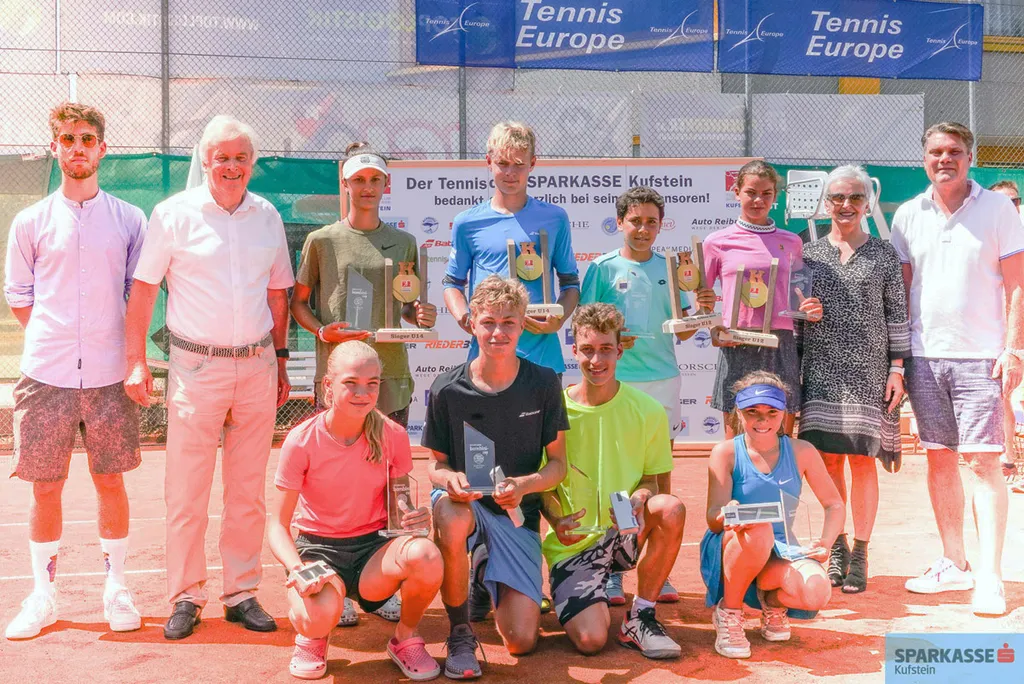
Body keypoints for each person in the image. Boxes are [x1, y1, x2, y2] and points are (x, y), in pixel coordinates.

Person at [124, 115, 295, 639]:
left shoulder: (267, 216)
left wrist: (282, 360)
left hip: (259, 366)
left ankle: (241, 592)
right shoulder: (172, 214)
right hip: (195, 368)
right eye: (221, 156)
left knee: (247, 491)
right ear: (204, 160)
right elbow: (144, 291)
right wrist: (135, 359)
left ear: (252, 163)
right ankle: (185, 595)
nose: (231, 166)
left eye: (241, 157)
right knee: (187, 490)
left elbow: (277, 294)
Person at [3, 102, 145, 639]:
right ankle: (43, 596)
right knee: (45, 489)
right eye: (68, 138)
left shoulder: (130, 219)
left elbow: (137, 295)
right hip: (45, 376)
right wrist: (55, 338)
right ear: (55, 147)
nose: (78, 147)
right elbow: (19, 295)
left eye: (88, 138)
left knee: (110, 480)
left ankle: (117, 589)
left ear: (102, 148)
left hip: (111, 377)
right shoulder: (30, 221)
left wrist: (130, 360)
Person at [290, 142, 436, 624]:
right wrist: (320, 332)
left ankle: (382, 585)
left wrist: (421, 314)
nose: (367, 188)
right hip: (341, 378)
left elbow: (411, 307)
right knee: (334, 481)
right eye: (359, 180)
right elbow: (300, 303)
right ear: (346, 185)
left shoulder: (406, 242)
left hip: (388, 377)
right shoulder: (322, 241)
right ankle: (339, 585)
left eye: (375, 180)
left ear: (385, 186)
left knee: (390, 482)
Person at [442, 121, 578, 621]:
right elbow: (453, 283)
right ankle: (482, 567)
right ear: (489, 163)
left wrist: (561, 314)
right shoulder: (467, 223)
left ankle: (529, 575)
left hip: (540, 358)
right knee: (481, 466)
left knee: (537, 469)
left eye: (519, 164)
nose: (511, 171)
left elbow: (569, 282)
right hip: (488, 362)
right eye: (502, 162)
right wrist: (462, 316)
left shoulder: (555, 219)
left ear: (532, 166)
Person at [892, 122, 1024, 616]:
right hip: (926, 357)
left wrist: (1013, 350)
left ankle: (990, 578)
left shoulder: (998, 210)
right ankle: (954, 562)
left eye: (953, 151)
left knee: (985, 462)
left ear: (970, 157)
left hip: (982, 357)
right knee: (940, 458)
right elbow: (901, 294)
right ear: (923, 158)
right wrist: (900, 360)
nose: (943, 159)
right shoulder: (907, 215)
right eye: (935, 152)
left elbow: (1017, 284)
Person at [268, 342, 443, 681]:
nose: (363, 392)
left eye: (372, 383)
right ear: (328, 386)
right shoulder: (301, 440)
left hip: (372, 555)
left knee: (427, 555)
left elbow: (400, 507)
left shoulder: (392, 435)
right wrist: (296, 569)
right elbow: (276, 525)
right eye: (351, 382)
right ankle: (313, 633)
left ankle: (405, 638)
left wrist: (415, 521)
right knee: (318, 615)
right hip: (318, 551)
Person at [424, 275, 569, 679]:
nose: (498, 332)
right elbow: (433, 465)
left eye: (509, 322)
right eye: (488, 321)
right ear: (471, 323)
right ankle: (459, 632)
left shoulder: (543, 382)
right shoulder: (446, 387)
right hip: (464, 506)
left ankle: (484, 567)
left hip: (516, 512)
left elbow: (556, 465)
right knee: (453, 520)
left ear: (524, 325)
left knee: (522, 641)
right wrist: (449, 480)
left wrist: (524, 486)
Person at [578, 186, 715, 605]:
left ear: (660, 226)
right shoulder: (602, 268)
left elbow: (686, 327)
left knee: (659, 477)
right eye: (634, 221)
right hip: (616, 382)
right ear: (620, 223)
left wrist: (703, 310)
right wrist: (614, 344)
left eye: (650, 222)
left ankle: (659, 570)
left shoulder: (673, 268)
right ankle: (617, 569)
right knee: (619, 479)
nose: (642, 229)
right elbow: (585, 325)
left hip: (663, 380)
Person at [541, 304, 685, 659]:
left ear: (620, 350)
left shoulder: (648, 410)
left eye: (606, 349)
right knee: (591, 641)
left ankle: (641, 615)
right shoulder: (553, 411)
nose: (596, 360)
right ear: (573, 350)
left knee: (670, 508)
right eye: (587, 349)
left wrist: (639, 498)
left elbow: (654, 480)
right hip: (575, 543)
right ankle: (588, 589)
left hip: (627, 533)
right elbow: (543, 485)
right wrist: (556, 521)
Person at [797, 165, 911, 594]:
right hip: (822, 372)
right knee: (827, 464)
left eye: (855, 198)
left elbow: (897, 316)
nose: (846, 206)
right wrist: (802, 313)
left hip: (870, 373)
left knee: (863, 463)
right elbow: (793, 314)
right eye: (838, 198)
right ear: (826, 203)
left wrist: (898, 369)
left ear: (867, 203)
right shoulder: (807, 254)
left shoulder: (883, 253)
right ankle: (837, 546)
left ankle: (861, 551)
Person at [702, 372, 844, 659]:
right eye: (752, 412)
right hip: (732, 545)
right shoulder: (725, 452)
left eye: (771, 412)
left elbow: (834, 505)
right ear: (738, 413)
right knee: (759, 530)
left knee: (817, 590)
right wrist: (733, 515)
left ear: (784, 415)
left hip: (781, 549)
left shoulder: (802, 451)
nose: (762, 421)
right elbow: (713, 517)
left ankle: (771, 602)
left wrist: (826, 544)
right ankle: (729, 612)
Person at [704, 161, 823, 435]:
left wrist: (808, 308)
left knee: (781, 434)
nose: (758, 200)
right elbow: (705, 299)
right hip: (736, 341)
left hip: (779, 342)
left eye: (766, 193)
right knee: (736, 437)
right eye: (751, 192)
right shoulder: (716, 242)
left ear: (775, 197)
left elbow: (797, 292)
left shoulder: (792, 241)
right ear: (737, 192)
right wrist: (713, 328)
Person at [987, 180, 1023, 488]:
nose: (1009, 206)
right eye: (1002, 202)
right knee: (1004, 397)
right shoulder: (987, 237)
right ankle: (1008, 460)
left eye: (1014, 201)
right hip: (1002, 332)